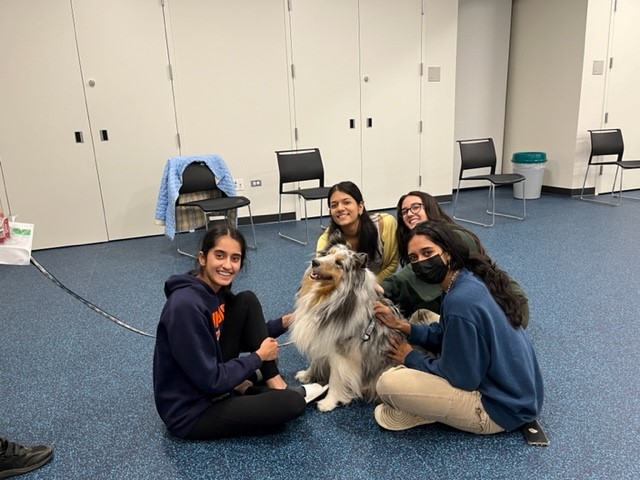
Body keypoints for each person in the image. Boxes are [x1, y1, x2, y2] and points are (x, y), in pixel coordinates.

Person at [153, 224, 322, 440]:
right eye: (220, 256)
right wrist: (258, 357)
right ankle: (261, 387)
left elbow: (245, 333)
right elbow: (211, 380)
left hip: (211, 383)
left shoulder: (215, 292)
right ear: (203, 258)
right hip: (192, 412)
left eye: (235, 258)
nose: (227, 265)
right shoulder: (186, 306)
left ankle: (262, 384)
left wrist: (286, 322)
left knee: (246, 300)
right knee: (293, 403)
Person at [373, 221, 543, 434]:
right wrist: (403, 326)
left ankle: (426, 410)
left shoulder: (459, 301)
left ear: (448, 253)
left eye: (428, 252)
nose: (421, 263)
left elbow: (462, 378)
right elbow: (448, 332)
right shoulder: (463, 279)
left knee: (387, 384)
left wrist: (410, 358)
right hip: (518, 391)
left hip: (498, 408)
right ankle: (427, 404)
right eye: (414, 258)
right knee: (421, 317)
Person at [380, 191, 529, 327]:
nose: (409, 214)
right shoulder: (420, 243)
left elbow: (408, 276)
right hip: (477, 306)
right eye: (404, 211)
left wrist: (382, 288)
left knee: (420, 317)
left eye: (416, 207)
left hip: (508, 309)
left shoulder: (456, 237)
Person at [316, 181, 398, 281]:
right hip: (344, 291)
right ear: (330, 212)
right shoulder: (326, 239)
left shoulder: (385, 224)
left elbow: (392, 265)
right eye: (334, 205)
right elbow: (323, 273)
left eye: (346, 202)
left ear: (360, 207)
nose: (340, 208)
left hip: (380, 285)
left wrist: (370, 287)